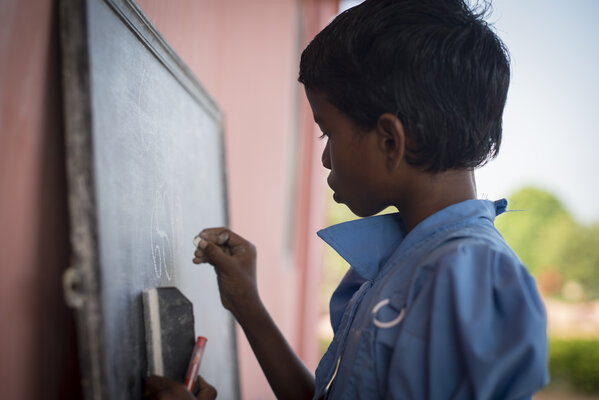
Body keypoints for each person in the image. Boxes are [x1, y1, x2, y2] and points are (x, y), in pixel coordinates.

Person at [144, 0, 549, 398]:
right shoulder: (404, 258)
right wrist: (247, 303)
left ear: (390, 140)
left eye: (328, 133)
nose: (324, 157)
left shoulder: (467, 277)